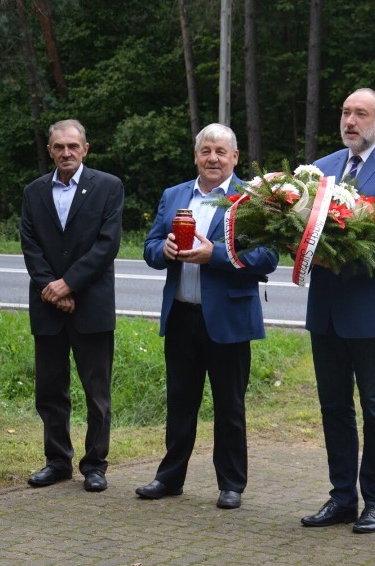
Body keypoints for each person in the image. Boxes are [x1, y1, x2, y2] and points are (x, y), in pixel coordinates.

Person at [136, 123, 278, 509]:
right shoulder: (174, 194)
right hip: (182, 315)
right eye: (205, 151)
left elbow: (267, 257)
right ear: (196, 156)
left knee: (229, 406)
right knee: (180, 402)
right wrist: (162, 250)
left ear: (234, 157)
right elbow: (148, 247)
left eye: (221, 151)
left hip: (229, 319)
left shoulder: (251, 198)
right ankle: (169, 479)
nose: (212, 158)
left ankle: (231, 484)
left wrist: (213, 255)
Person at [300, 88, 375, 534]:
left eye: (361, 114)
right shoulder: (322, 169)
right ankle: (341, 498)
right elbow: (302, 230)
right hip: (326, 310)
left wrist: (336, 259)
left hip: (371, 309)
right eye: (345, 112)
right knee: (333, 406)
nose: (350, 121)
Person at [20, 119, 124, 492]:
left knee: (96, 393)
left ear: (85, 149)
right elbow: (30, 244)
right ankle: (57, 461)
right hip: (47, 304)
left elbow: (107, 245)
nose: (66, 152)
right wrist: (52, 287)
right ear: (50, 150)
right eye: (59, 147)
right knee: (50, 389)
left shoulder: (109, 187)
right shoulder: (34, 192)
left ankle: (95, 464)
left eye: (73, 146)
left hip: (91, 305)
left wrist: (68, 283)